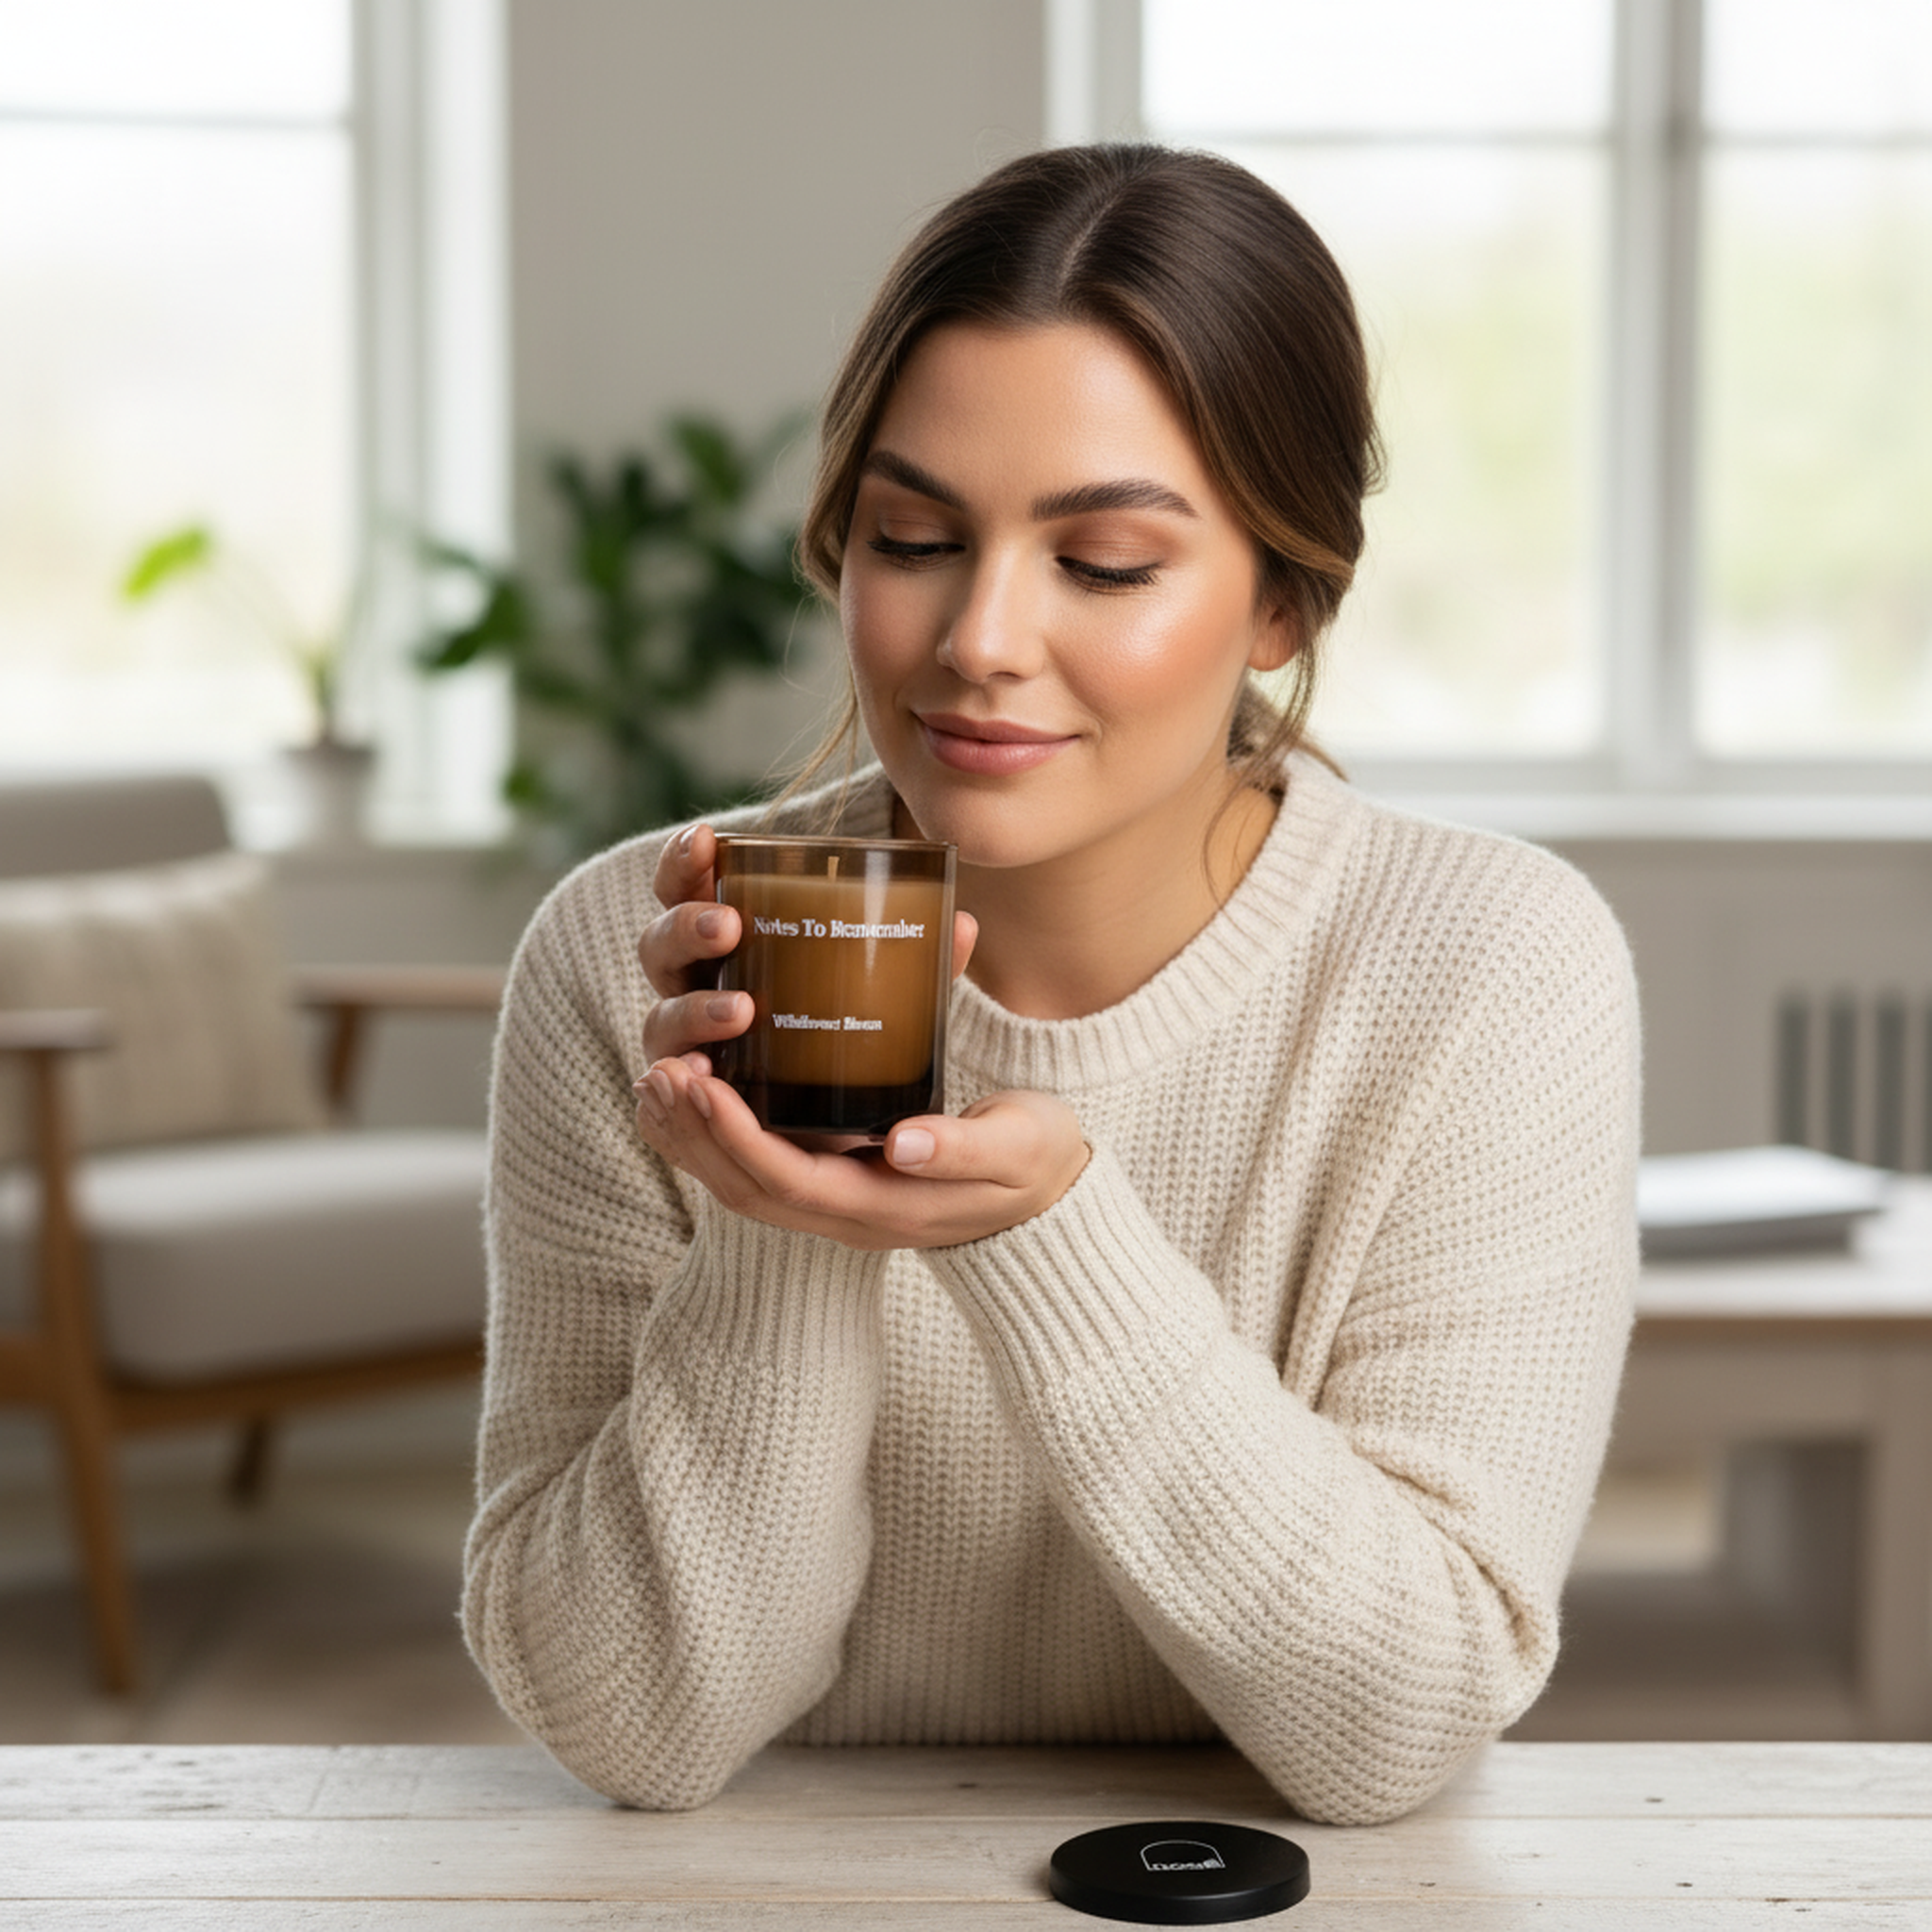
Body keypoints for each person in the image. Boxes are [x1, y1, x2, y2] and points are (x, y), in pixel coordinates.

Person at [462, 143, 1639, 1827]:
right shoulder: (627, 954)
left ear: (1284, 602)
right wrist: (788, 1198)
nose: (980, 640)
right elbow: (635, 1730)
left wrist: (1049, 1230)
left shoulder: (1489, 967)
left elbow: (1401, 1721)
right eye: (915, 537)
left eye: (1103, 563)